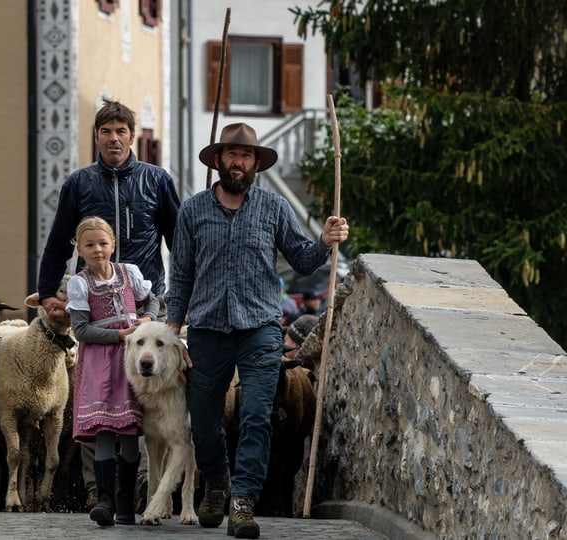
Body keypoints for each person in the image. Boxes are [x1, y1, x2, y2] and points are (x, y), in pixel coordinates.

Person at [165, 122, 348, 539]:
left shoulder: (275, 209)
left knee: (256, 416)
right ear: (217, 160)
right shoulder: (192, 211)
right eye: (231, 154)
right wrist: (175, 331)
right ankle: (216, 483)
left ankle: (243, 503)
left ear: (255, 164)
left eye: (246, 156)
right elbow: (181, 276)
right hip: (208, 328)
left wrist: (325, 239)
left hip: (261, 329)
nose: (238, 162)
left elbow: (303, 260)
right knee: (205, 422)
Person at [37, 98, 181, 509]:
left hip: (147, 307)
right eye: (105, 131)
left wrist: (176, 300)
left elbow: (180, 242)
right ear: (96, 137)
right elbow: (58, 241)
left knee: (145, 395)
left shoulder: (156, 181)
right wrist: (48, 292)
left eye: (121, 131)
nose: (113, 138)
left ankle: (140, 487)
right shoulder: (79, 184)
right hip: (98, 313)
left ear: (132, 136)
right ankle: (97, 490)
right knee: (97, 391)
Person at [66, 217, 158, 527]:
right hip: (100, 363)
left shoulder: (128, 273)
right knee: (105, 429)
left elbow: (152, 300)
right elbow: (81, 330)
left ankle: (126, 503)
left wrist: (147, 321)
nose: (97, 250)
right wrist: (120, 335)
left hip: (131, 362)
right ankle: (103, 499)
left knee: (130, 432)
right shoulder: (80, 283)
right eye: (89, 245)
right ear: (79, 249)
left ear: (113, 245)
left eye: (103, 243)